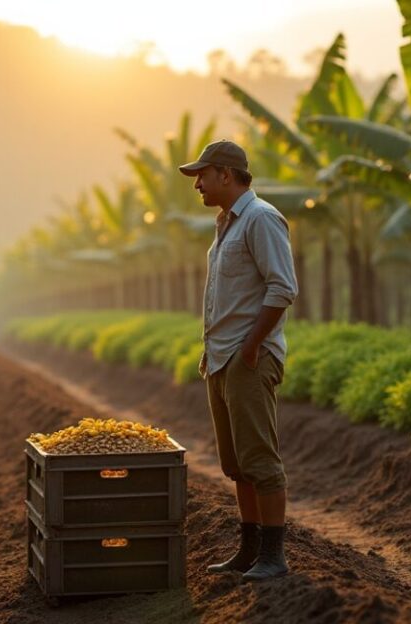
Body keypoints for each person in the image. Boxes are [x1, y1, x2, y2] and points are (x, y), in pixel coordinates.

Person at [178, 139, 298, 582]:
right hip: (221, 358)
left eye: (202, 177)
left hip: (247, 358)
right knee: (236, 464)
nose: (198, 186)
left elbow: (282, 288)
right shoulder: (226, 224)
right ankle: (248, 549)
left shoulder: (262, 219)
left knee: (260, 460)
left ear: (226, 175)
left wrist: (249, 348)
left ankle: (273, 554)